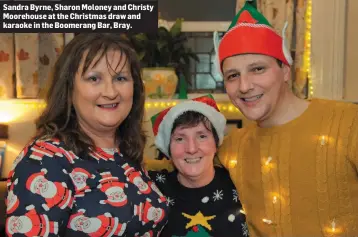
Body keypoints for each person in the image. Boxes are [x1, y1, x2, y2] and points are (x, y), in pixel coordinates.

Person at [214, 0, 358, 236]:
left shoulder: (348, 123)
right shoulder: (230, 150)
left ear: (285, 71)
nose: (245, 86)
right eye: (232, 75)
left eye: (257, 69)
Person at [5, 33, 169, 236]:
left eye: (120, 78)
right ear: (69, 88)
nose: (110, 92)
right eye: (94, 78)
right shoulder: (44, 161)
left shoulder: (125, 152)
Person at [147, 95, 249, 237]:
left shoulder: (240, 183)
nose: (192, 148)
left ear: (216, 143)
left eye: (202, 136)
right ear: (168, 149)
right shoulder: (151, 190)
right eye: (180, 138)